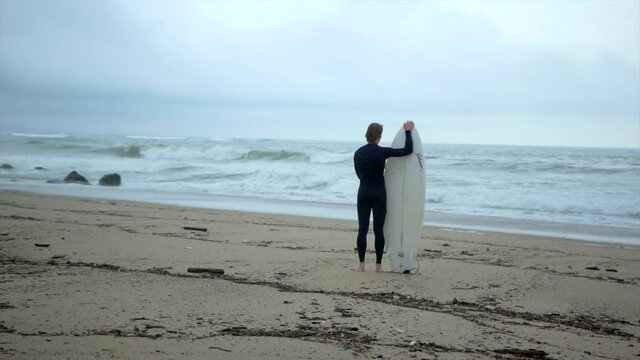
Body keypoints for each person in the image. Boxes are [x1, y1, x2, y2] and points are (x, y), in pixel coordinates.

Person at [353, 120, 415, 272]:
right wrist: (408, 131)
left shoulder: (358, 153)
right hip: (379, 194)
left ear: (367, 135)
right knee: (378, 230)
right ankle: (378, 266)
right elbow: (408, 150)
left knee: (362, 229)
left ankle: (361, 265)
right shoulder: (382, 152)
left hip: (363, 193)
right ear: (379, 136)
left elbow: (358, 174)